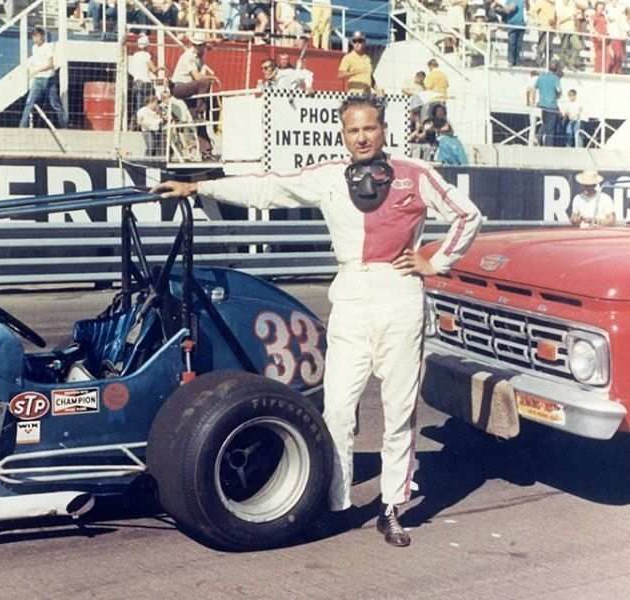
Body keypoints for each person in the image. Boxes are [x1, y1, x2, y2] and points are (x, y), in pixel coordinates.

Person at [153, 95, 482, 548]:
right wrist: (200, 187)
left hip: (400, 296)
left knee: (399, 411)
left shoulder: (415, 173)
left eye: (370, 128)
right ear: (343, 134)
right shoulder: (327, 175)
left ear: (384, 129)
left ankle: (392, 507)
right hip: (349, 295)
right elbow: (265, 189)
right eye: (353, 130)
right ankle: (337, 504)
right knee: (338, 409)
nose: (362, 137)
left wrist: (436, 261)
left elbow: (468, 215)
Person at [170, 32, 219, 158]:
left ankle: (206, 151)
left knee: (199, 123)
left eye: (200, 45)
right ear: (193, 45)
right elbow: (198, 77)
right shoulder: (189, 56)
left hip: (190, 90)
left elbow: (198, 78)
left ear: (203, 45)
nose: (198, 47)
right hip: (179, 87)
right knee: (205, 82)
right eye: (196, 45)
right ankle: (201, 110)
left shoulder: (199, 57)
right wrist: (212, 77)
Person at [19, 27, 67, 129]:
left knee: (55, 104)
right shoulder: (34, 48)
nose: (35, 39)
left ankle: (64, 126)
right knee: (29, 103)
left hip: (48, 79)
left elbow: (50, 64)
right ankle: (22, 126)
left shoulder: (48, 47)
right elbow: (35, 61)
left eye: (37, 36)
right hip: (38, 80)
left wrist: (37, 70)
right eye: (33, 36)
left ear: (42, 36)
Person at [128, 34, 157, 129]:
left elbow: (131, 70)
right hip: (146, 83)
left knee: (138, 106)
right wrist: (160, 68)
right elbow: (153, 69)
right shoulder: (146, 55)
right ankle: (147, 125)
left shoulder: (135, 56)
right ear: (147, 46)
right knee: (150, 104)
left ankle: (135, 126)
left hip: (136, 83)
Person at [534, 60, 561, 146]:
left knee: (544, 125)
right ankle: (549, 146)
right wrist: (557, 95)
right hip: (552, 106)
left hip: (542, 105)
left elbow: (535, 87)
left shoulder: (541, 77)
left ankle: (538, 139)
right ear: (556, 69)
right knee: (550, 128)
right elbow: (559, 90)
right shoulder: (555, 78)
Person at [494, 0, 525, 66]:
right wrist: (498, 9)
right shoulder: (509, 0)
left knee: (518, 45)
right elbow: (507, 10)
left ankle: (517, 62)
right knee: (512, 43)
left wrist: (500, 6)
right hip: (512, 24)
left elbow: (511, 8)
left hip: (521, 24)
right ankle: (511, 61)